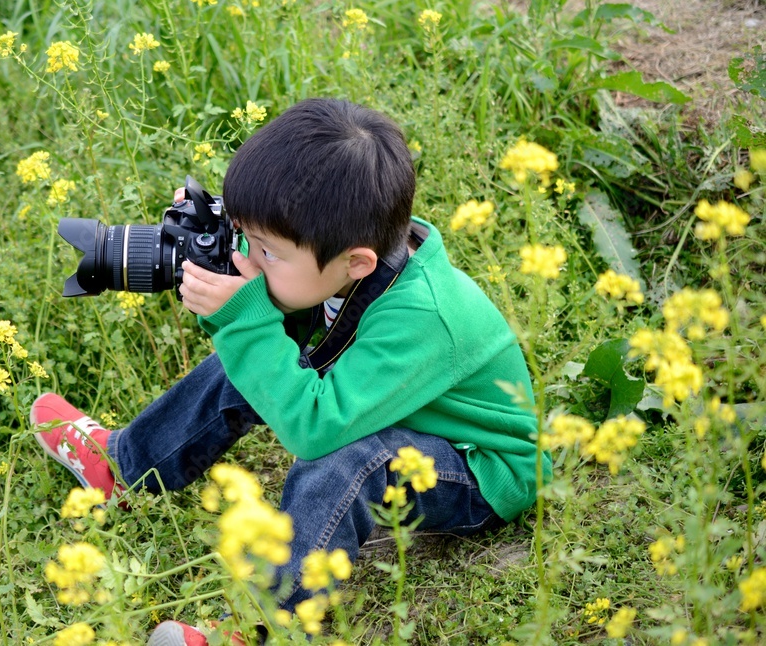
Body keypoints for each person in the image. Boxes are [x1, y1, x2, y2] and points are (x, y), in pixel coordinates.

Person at [32, 98, 548, 645]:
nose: (249, 257)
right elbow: (287, 328)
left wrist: (244, 319)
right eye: (244, 236)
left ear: (356, 262)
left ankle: (267, 622)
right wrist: (226, 259)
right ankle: (125, 466)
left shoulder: (424, 316)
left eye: (266, 251)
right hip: (398, 406)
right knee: (254, 366)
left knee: (347, 457)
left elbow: (314, 428)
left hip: (479, 466)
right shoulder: (343, 259)